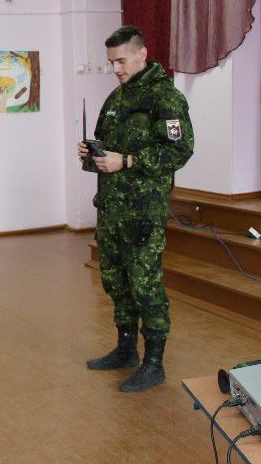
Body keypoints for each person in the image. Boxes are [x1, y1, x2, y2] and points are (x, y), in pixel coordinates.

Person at [78, 25, 194, 392]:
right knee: (116, 282)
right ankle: (126, 349)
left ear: (142, 54)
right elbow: (107, 153)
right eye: (111, 62)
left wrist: (126, 161)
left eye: (121, 60)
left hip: (142, 212)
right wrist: (91, 154)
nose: (116, 68)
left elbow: (179, 151)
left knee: (146, 287)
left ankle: (153, 363)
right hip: (112, 210)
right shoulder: (116, 99)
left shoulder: (165, 98)